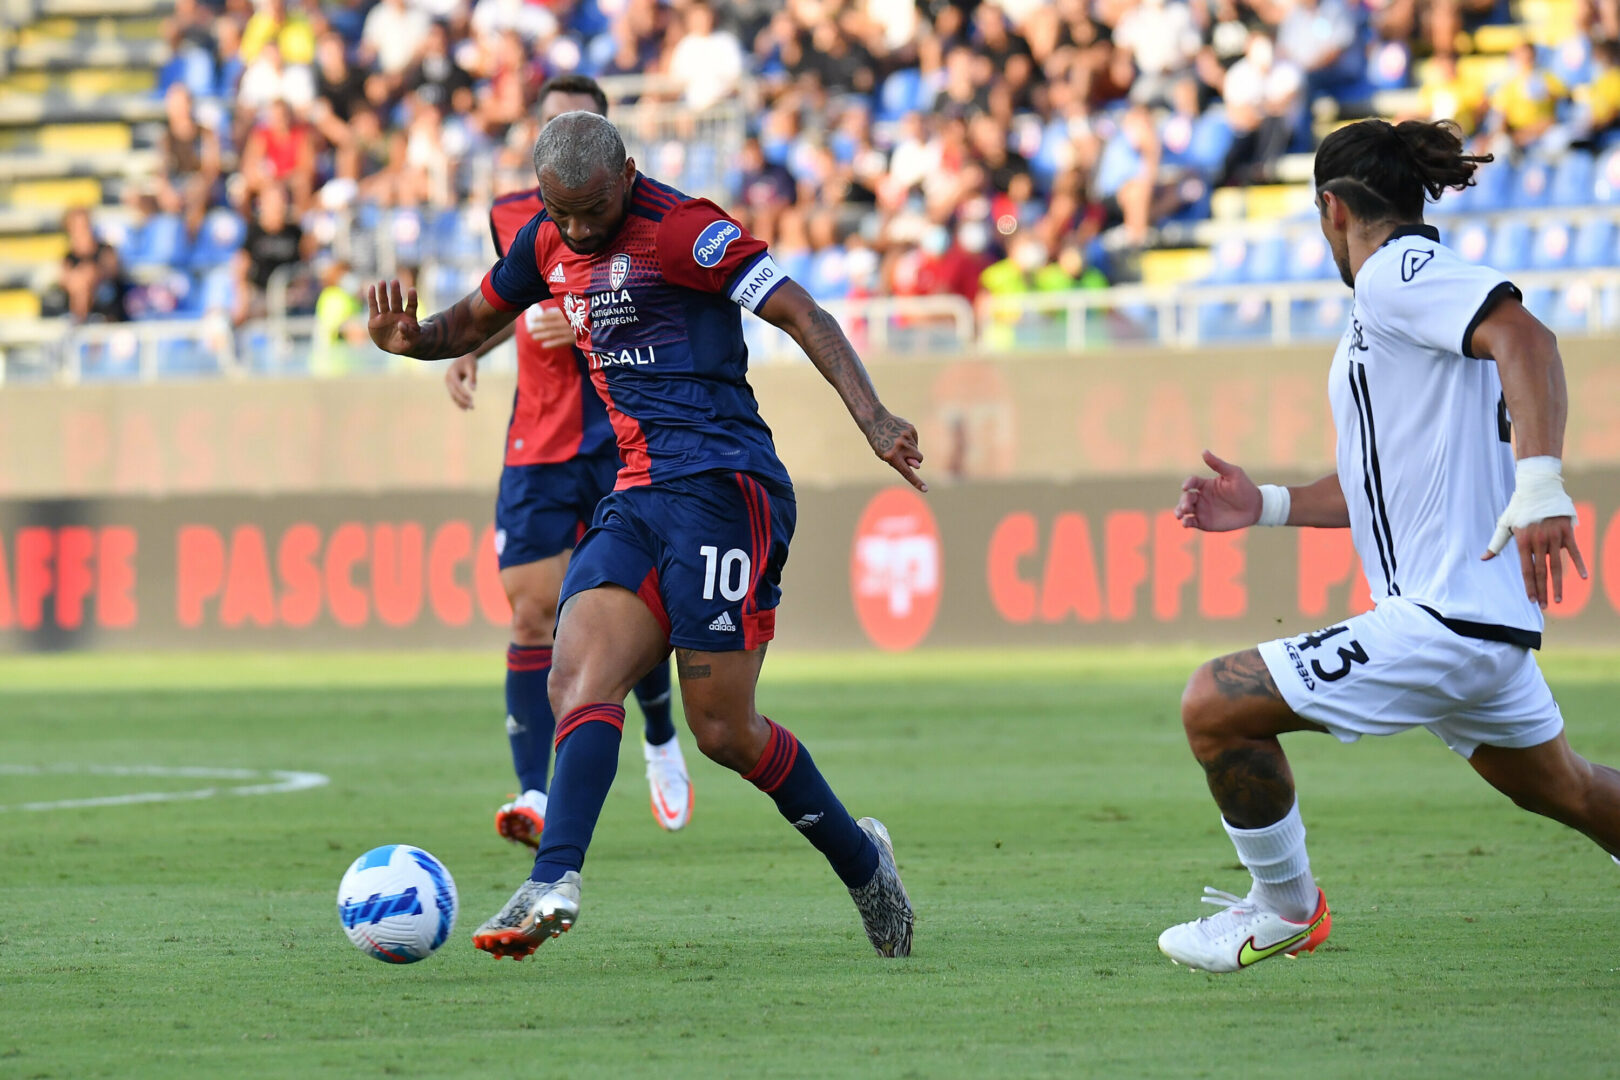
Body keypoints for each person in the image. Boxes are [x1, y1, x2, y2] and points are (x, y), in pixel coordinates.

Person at [368, 110, 922, 961]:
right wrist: (412, 343)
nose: (582, 231)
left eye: (594, 210)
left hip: (725, 489)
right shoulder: (547, 240)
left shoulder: (686, 231)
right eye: (566, 215)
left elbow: (801, 311)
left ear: (627, 172)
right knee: (577, 669)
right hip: (636, 492)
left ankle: (863, 861)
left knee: (723, 732)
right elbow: (468, 323)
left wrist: (875, 417)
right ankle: (553, 879)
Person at [1159, 119, 1605, 974]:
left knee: (1213, 703)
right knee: (1572, 791)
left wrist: (1541, 483)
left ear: (1332, 208)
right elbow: (1380, 485)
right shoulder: (1391, 311)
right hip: (1474, 623)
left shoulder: (1400, 272)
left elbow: (1528, 339)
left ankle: (1285, 911)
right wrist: (1271, 504)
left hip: (1444, 619)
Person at [441, 75, 694, 848]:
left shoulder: (649, 216)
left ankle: (659, 735)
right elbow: (513, 295)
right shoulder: (510, 214)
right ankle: (534, 793)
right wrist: (471, 348)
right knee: (530, 611)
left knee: (629, 604)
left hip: (620, 431)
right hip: (541, 435)